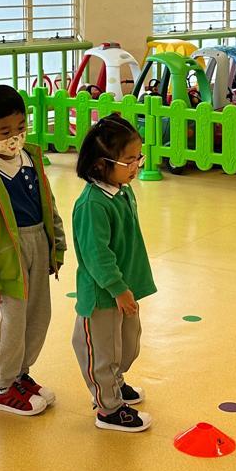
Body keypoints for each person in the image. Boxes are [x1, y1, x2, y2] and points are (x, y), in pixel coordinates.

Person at [0, 85, 67, 416]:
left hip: (38, 243)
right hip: (7, 257)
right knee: (10, 323)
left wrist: (57, 246)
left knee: (37, 317)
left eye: (20, 127)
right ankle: (4, 386)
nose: (15, 137)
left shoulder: (31, 158)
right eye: (5, 131)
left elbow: (48, 204)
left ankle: (21, 374)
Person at [70, 115, 156, 434]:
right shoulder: (92, 205)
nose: (135, 166)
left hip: (124, 289)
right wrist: (117, 288)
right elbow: (97, 255)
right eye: (128, 160)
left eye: (138, 158)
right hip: (104, 295)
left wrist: (128, 287)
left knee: (127, 345)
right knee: (102, 352)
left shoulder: (122, 191)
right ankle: (108, 408)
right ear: (100, 164)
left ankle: (115, 385)